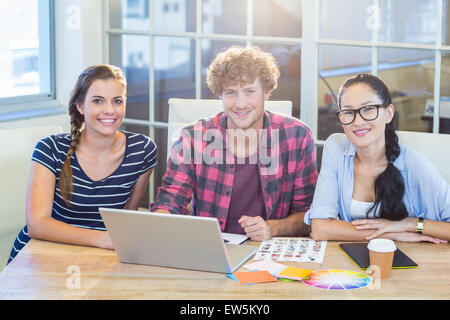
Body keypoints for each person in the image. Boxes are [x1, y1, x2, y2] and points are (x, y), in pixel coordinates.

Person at [150, 46, 318, 241]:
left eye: (249, 91)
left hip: (268, 252)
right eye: (231, 93)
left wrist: (272, 228)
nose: (240, 104)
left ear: (267, 91)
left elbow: (308, 215)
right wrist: (162, 222)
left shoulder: (297, 136)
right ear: (219, 94)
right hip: (211, 250)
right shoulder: (193, 137)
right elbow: (168, 202)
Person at [8, 64, 157, 263]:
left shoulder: (142, 150)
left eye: (117, 101)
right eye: (97, 101)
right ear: (80, 106)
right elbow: (37, 224)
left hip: (96, 257)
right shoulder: (50, 149)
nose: (109, 110)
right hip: (40, 255)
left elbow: (125, 219)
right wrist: (102, 239)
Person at [305, 73, 450, 243]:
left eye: (368, 109)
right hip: (352, 260)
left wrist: (409, 224)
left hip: (414, 261)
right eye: (348, 112)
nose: (357, 122)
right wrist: (391, 234)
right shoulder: (337, 147)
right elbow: (320, 229)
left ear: (388, 113)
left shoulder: (416, 165)